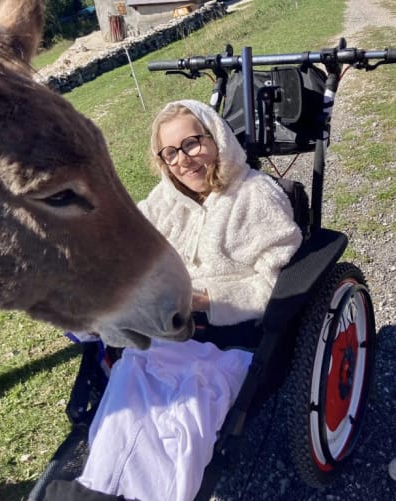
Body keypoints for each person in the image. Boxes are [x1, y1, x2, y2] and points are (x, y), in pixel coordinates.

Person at [45, 99, 303, 501]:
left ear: (215, 138)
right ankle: (95, 491)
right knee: (125, 402)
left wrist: (209, 299)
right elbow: (123, 246)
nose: (184, 159)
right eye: (171, 152)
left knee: (179, 423)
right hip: (163, 335)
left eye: (193, 143)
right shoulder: (163, 202)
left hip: (229, 342)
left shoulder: (256, 196)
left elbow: (277, 282)